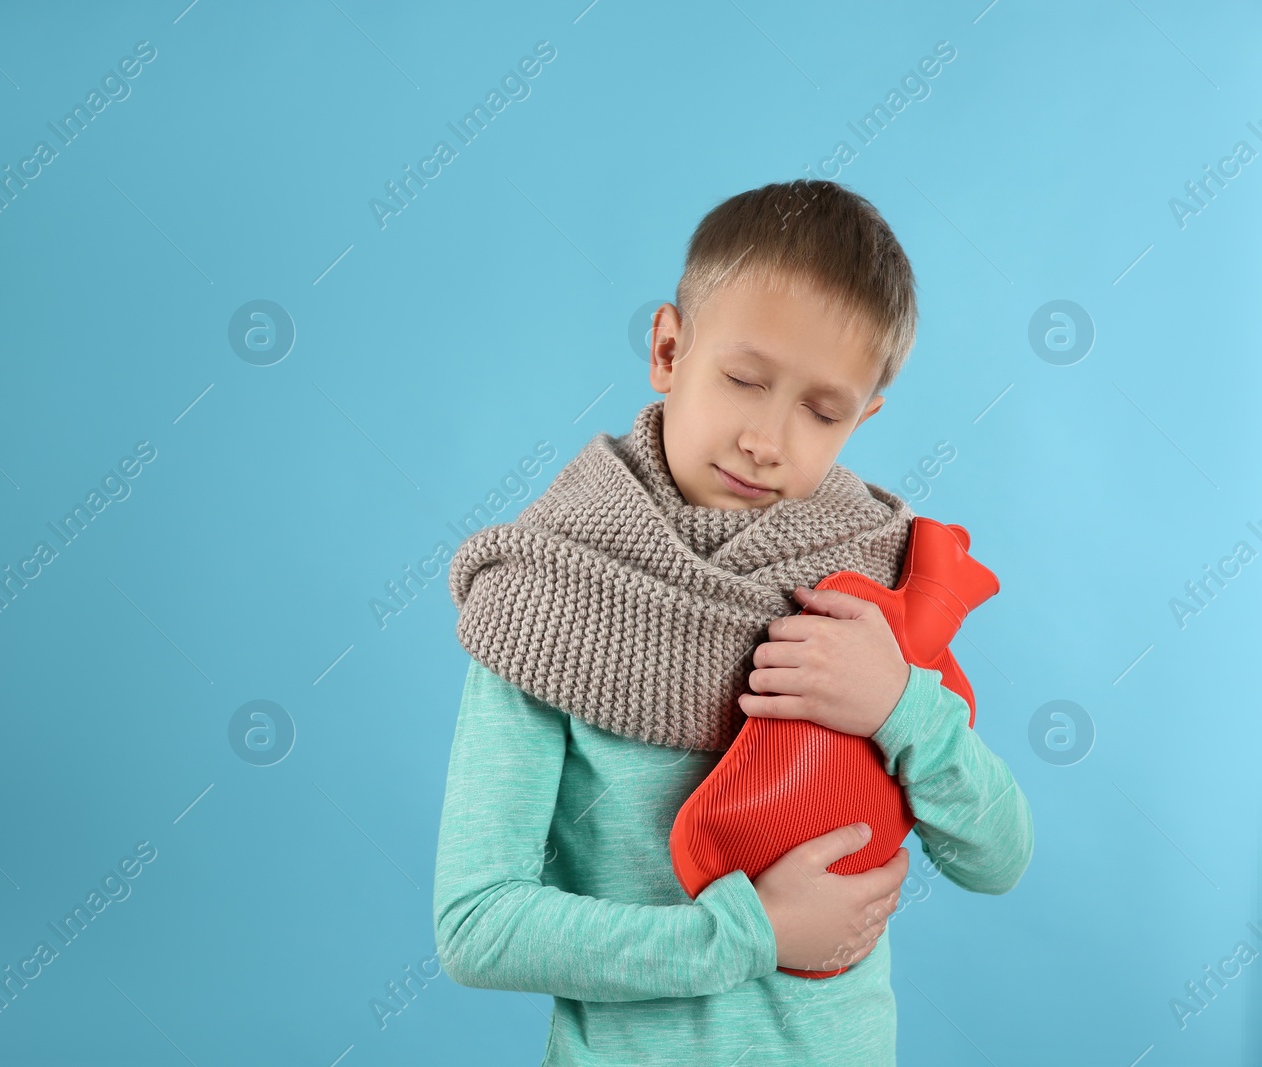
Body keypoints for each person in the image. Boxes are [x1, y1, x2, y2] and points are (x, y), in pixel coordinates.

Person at [432, 179, 1034, 1066]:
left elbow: (998, 857)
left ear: (863, 416)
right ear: (670, 350)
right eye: (745, 380)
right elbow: (478, 926)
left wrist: (898, 706)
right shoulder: (547, 603)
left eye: (822, 410)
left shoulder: (869, 584)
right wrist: (752, 931)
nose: (767, 437)